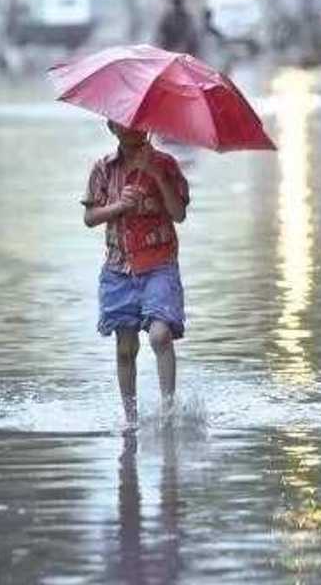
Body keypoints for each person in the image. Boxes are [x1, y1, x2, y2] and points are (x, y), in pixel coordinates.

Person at [82, 120, 190, 430]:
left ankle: (169, 411)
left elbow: (178, 214)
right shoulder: (103, 169)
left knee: (160, 334)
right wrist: (118, 206)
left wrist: (156, 175)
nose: (132, 129)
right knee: (125, 347)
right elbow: (90, 217)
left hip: (159, 264)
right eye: (124, 124)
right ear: (111, 127)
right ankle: (130, 419)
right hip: (119, 269)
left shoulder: (166, 164)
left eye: (139, 124)